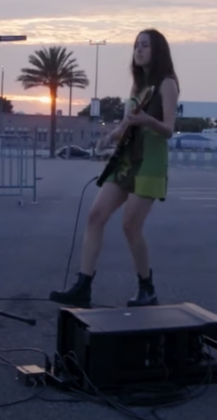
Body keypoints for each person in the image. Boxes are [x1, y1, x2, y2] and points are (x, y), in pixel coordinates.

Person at [49, 28, 179, 308]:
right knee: (95, 216)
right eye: (136, 45)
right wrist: (111, 135)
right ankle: (83, 286)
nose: (138, 50)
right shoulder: (138, 85)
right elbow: (127, 123)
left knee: (130, 226)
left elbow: (168, 129)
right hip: (126, 160)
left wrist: (147, 121)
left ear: (158, 51)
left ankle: (147, 288)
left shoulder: (167, 84)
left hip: (150, 162)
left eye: (145, 45)